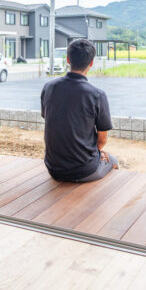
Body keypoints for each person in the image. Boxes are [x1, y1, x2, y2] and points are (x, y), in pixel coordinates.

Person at [40, 38, 119, 183]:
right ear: (91, 63)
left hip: (53, 168)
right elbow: (102, 139)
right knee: (113, 160)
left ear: (68, 60)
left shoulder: (49, 87)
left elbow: (50, 119)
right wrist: (97, 153)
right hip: (84, 170)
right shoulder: (96, 95)